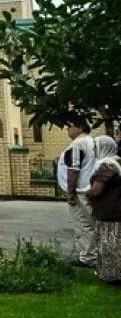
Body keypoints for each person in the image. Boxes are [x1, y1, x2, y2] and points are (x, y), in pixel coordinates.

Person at [62, 118, 97, 266]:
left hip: (81, 190)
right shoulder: (92, 142)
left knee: (83, 223)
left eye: (70, 126)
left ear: (81, 127)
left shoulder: (78, 144)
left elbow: (74, 169)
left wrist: (71, 192)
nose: (67, 129)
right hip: (91, 188)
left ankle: (88, 258)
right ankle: (94, 255)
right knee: (92, 223)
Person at [87, 136, 120, 284]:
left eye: (95, 147)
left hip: (109, 211)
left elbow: (96, 190)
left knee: (109, 245)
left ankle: (112, 276)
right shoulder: (117, 162)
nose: (93, 150)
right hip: (115, 209)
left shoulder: (107, 165)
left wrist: (85, 193)